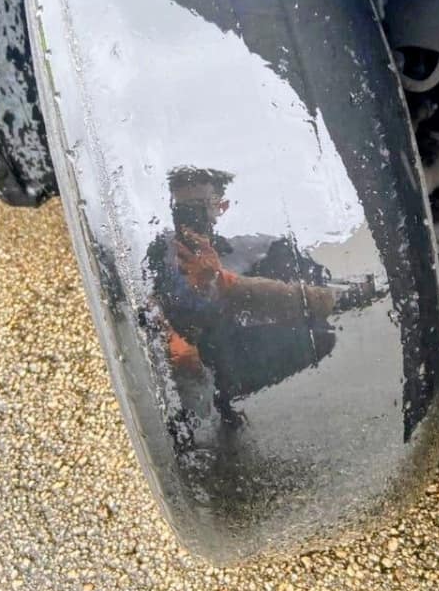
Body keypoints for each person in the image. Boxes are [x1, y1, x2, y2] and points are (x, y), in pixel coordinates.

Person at [144, 166, 379, 435]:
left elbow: (273, 283)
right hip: (189, 360)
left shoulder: (243, 250)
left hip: (230, 347)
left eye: (199, 206)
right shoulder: (162, 253)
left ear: (221, 207)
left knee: (319, 333)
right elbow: (182, 317)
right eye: (181, 208)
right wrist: (211, 284)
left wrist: (220, 280)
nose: (189, 215)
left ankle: (340, 293)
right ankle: (206, 408)